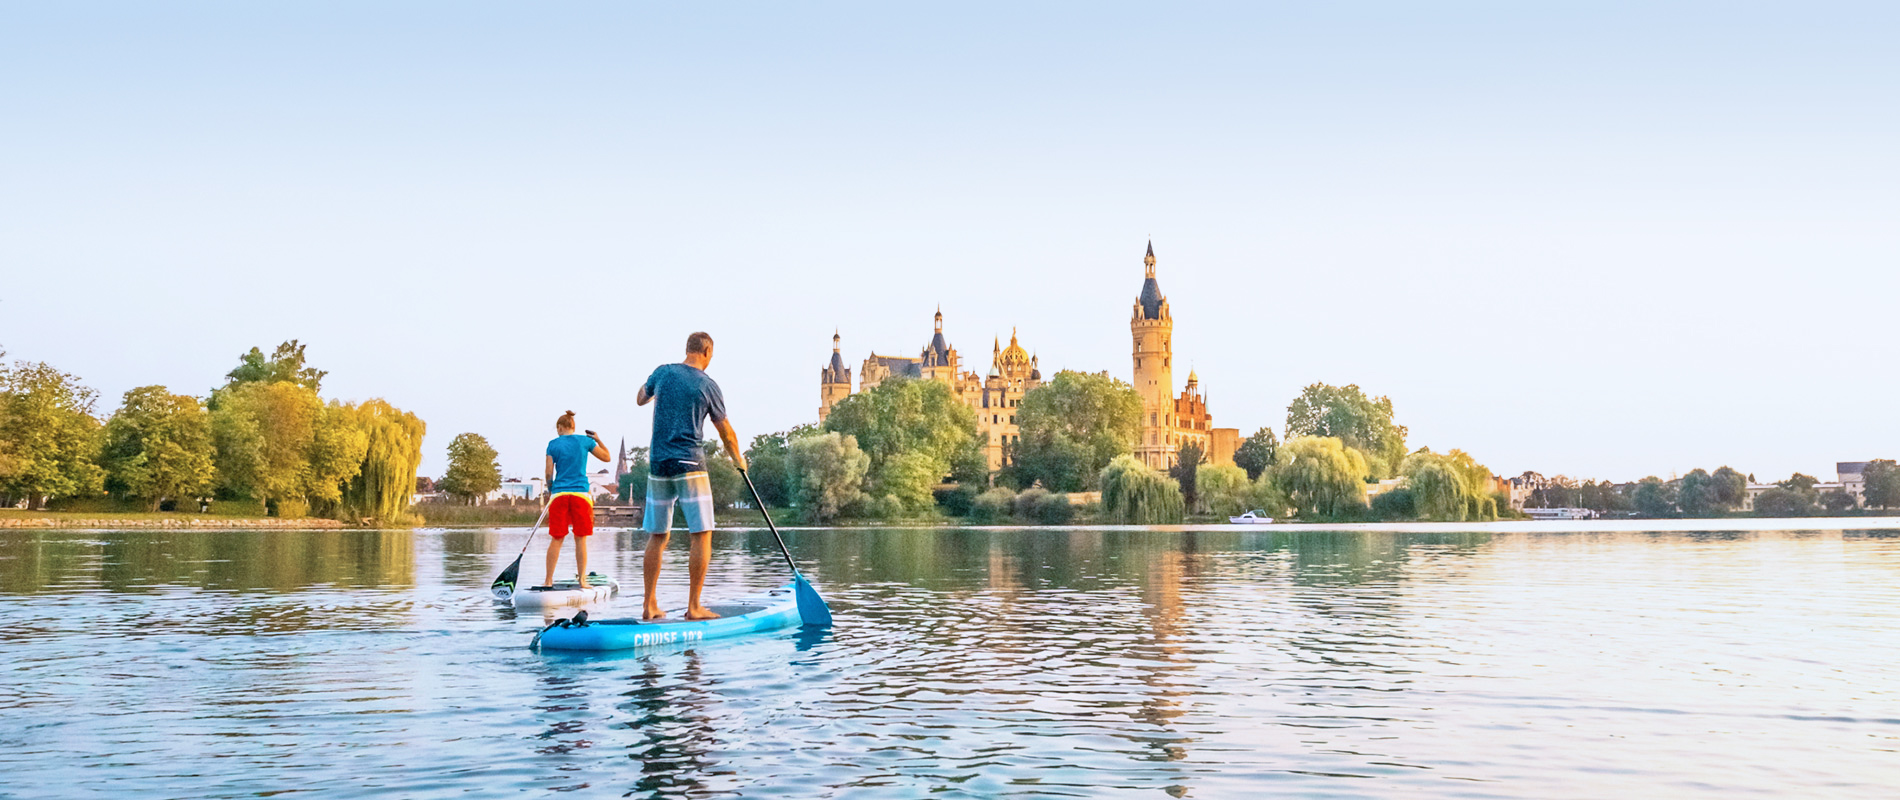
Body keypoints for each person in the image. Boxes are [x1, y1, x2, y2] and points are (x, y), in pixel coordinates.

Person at [636, 331, 745, 620]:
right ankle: (694, 607)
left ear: (687, 349)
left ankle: (648, 605)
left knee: (657, 535)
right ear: (707, 352)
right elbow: (726, 433)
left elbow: (640, 398)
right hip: (690, 464)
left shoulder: (663, 372)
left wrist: (657, 387)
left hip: (659, 463)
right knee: (701, 533)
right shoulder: (708, 385)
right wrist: (739, 461)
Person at [542, 410, 609, 588]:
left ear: (560, 428)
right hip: (580, 495)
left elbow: (549, 473)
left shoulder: (553, 444)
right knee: (580, 538)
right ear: (573, 426)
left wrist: (551, 490)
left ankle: (548, 580)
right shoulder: (585, 441)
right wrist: (598, 439)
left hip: (559, 495)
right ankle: (582, 580)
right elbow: (607, 457)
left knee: (557, 538)